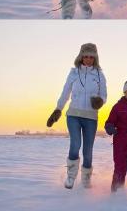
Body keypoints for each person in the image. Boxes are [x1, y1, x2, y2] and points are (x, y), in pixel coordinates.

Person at [46, 43, 107, 189]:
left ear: (95, 58)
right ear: (80, 56)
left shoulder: (99, 74)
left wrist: (100, 101)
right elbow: (65, 92)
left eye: (91, 57)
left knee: (88, 150)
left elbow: (104, 95)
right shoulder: (74, 73)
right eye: (85, 56)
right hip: (73, 114)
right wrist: (58, 109)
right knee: (75, 144)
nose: (87, 59)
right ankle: (71, 177)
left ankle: (86, 179)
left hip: (91, 117)